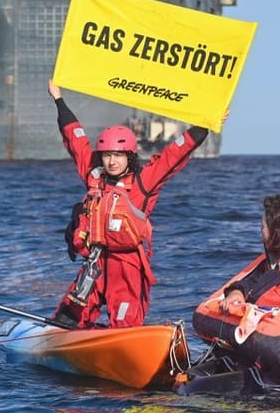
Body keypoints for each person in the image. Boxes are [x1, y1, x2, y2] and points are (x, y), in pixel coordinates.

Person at [47, 78, 209, 329]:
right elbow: (75, 138)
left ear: (129, 157)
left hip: (128, 267)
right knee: (65, 320)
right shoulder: (94, 176)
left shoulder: (144, 182)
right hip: (95, 264)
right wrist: (58, 99)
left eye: (118, 156)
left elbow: (175, 153)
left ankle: (123, 345)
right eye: (107, 155)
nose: (112, 162)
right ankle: (64, 336)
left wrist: (206, 123)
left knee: (124, 324)